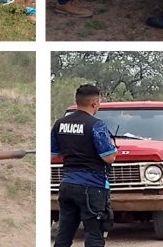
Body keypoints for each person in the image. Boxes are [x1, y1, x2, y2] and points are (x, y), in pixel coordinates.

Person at [51, 84, 117, 247]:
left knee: (63, 235)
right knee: (95, 234)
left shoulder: (60, 124)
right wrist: (113, 147)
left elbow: (53, 153)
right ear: (94, 103)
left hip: (67, 184)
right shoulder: (96, 125)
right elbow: (109, 157)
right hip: (93, 187)